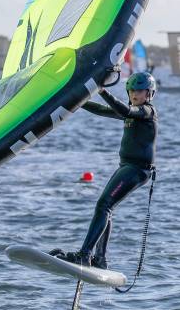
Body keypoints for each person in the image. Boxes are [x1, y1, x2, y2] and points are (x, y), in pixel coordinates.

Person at [51, 70, 157, 270]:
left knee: (104, 206)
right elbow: (102, 110)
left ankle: (84, 255)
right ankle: (99, 259)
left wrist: (101, 90)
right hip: (126, 167)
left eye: (140, 91)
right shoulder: (131, 111)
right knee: (105, 207)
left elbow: (126, 111)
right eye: (132, 90)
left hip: (137, 170)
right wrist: (74, 102)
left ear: (149, 94)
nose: (135, 95)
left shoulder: (147, 112)